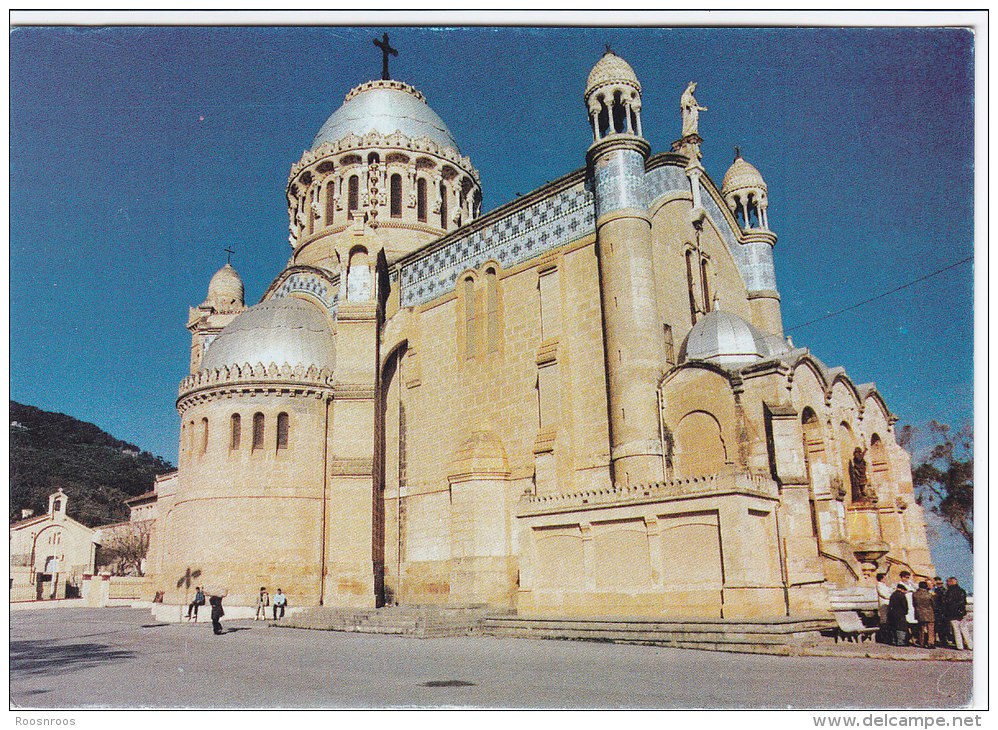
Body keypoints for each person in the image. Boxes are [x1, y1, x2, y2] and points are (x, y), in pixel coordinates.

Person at [943, 577, 972, 651]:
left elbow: (946, 603)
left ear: (951, 582)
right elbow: (963, 602)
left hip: (952, 614)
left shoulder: (948, 592)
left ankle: (960, 646)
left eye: (947, 582)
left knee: (956, 630)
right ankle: (970, 645)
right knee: (964, 629)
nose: (946, 584)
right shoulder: (962, 591)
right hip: (961, 613)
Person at [912, 581, 935, 648]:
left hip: (919, 612)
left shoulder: (915, 594)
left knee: (921, 629)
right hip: (929, 612)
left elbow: (914, 604)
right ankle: (930, 642)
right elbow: (933, 604)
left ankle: (921, 642)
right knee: (930, 628)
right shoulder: (929, 595)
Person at [932, 576, 950, 647]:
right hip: (943, 612)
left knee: (940, 628)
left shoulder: (939, 591)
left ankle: (943, 642)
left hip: (939, 612)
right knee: (943, 628)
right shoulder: (945, 590)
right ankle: (944, 642)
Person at [876, 572, 893, 642]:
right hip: (883, 603)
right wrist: (890, 597)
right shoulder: (879, 585)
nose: (885, 579)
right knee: (884, 619)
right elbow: (883, 594)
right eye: (884, 577)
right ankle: (883, 637)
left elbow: (889, 591)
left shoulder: (884, 585)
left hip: (887, 603)